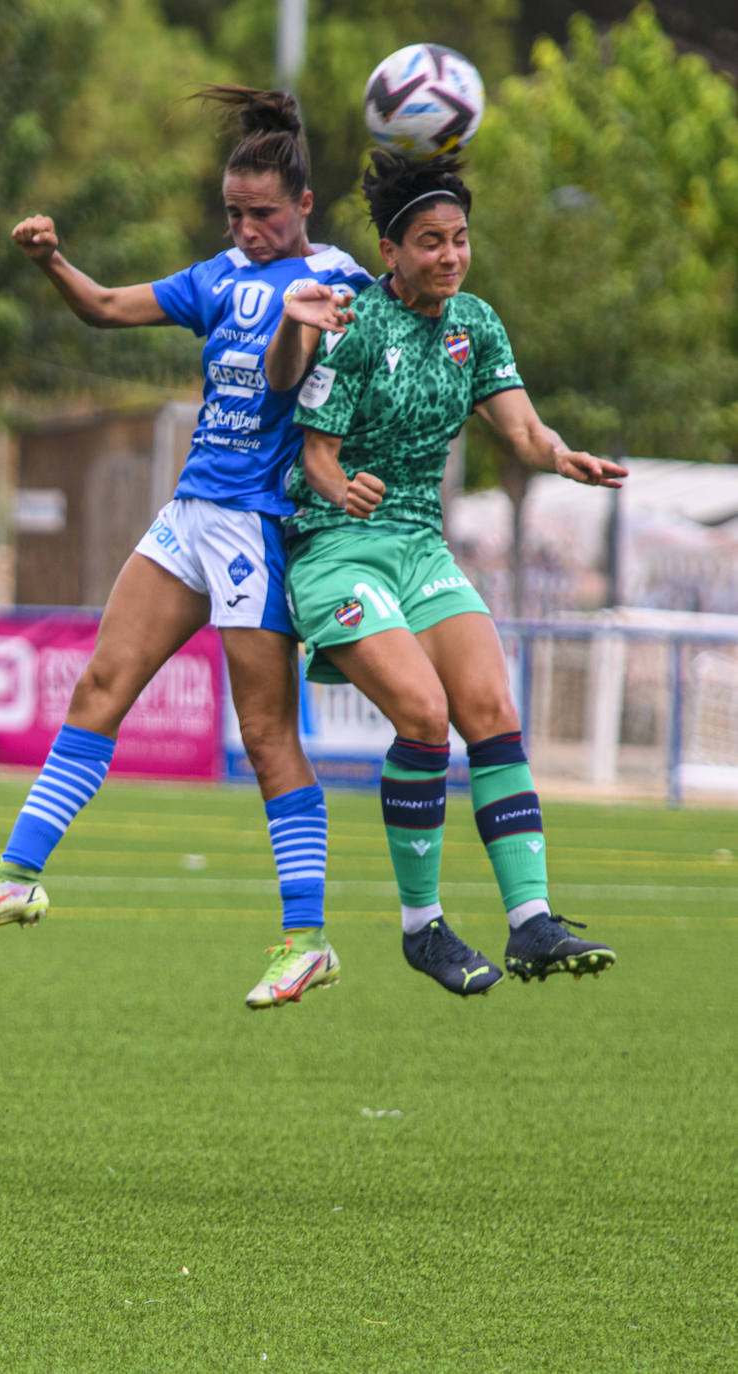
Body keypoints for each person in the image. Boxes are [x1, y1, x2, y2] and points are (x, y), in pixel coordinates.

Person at [0, 86, 373, 1011]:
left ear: (304, 206)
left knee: (264, 735)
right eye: (233, 214)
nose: (247, 229)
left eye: (263, 214)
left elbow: (301, 384)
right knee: (102, 683)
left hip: (260, 522)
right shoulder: (216, 278)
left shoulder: (341, 281)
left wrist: (300, 317)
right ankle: (17, 874)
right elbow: (101, 307)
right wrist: (53, 261)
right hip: (190, 511)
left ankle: (307, 939)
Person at [279, 149, 627, 995]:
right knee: (426, 714)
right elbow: (315, 455)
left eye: (460, 238)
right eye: (429, 242)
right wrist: (341, 488)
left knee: (492, 709)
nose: (450, 255)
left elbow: (523, 429)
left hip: (421, 547)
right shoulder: (353, 324)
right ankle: (421, 927)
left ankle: (530, 922)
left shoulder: (477, 322)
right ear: (391, 252)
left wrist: (559, 456)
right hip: (336, 546)